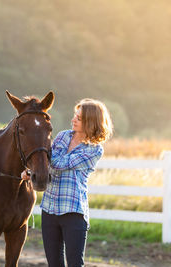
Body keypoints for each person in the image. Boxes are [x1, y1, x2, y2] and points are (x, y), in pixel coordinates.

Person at [22, 98, 113, 267]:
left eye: (78, 118)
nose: (73, 120)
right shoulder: (63, 135)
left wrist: (44, 162)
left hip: (73, 212)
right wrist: (30, 172)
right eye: (74, 116)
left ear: (91, 122)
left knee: (75, 264)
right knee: (54, 263)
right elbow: (47, 161)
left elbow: (60, 163)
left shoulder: (94, 149)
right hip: (49, 209)